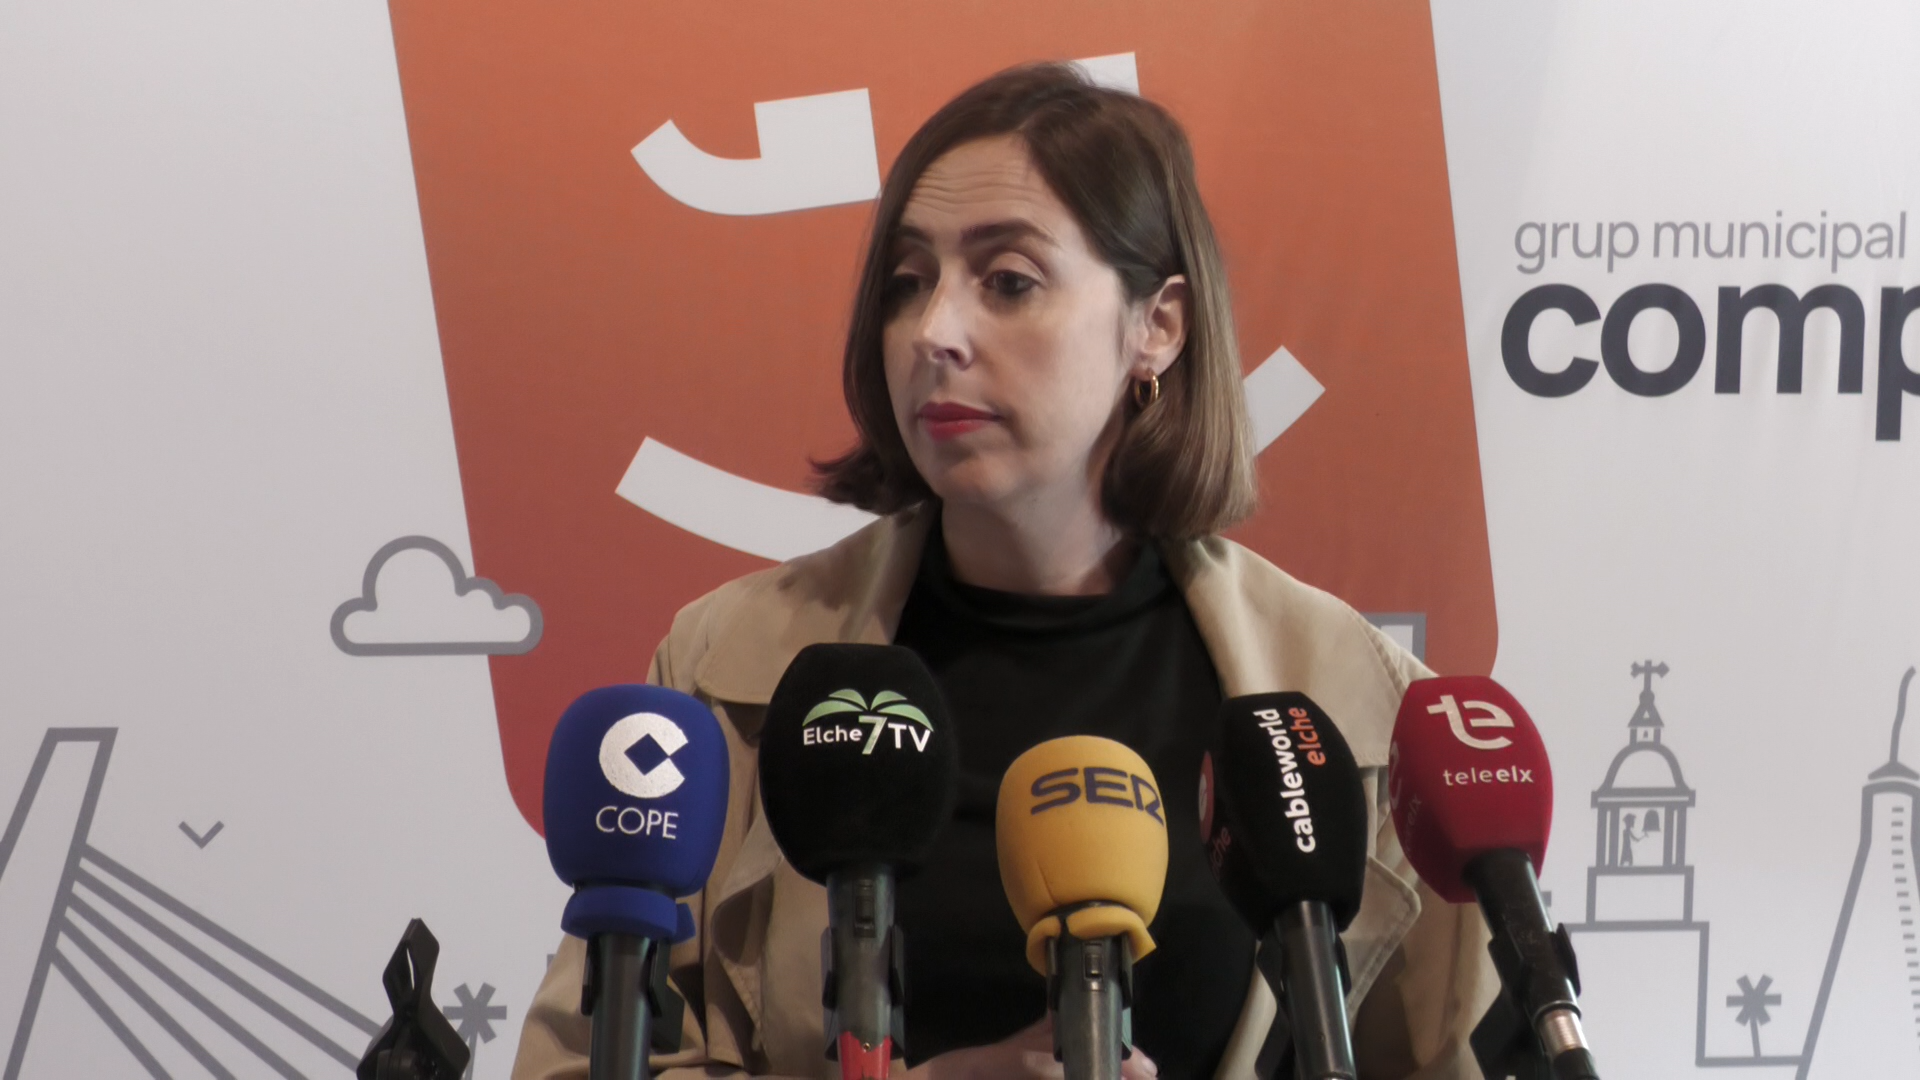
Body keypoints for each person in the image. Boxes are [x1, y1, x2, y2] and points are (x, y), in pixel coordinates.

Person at [513, 62, 1497, 1080]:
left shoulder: (1351, 704)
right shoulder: (729, 666)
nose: (934, 333)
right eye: (908, 283)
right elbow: (574, 1066)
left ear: (1157, 326)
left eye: (1009, 281)